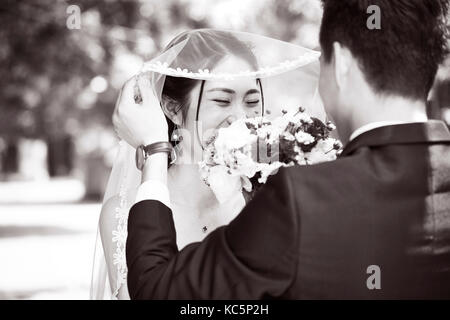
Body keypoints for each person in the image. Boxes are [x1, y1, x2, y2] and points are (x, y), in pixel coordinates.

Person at [118, 0, 450, 299]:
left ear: (343, 66)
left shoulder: (301, 198)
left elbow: (156, 290)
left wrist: (155, 149)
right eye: (222, 99)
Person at [91, 29, 322, 299]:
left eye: (251, 102)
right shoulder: (124, 212)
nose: (239, 117)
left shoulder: (269, 200)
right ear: (173, 109)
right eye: (222, 101)